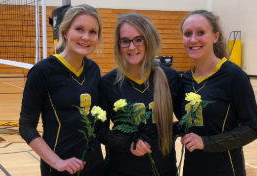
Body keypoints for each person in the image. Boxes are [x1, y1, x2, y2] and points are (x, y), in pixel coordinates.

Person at [19, 4, 104, 176]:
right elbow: (26, 126)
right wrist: (57, 162)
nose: (86, 37)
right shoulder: (43, 71)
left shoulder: (94, 69)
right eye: (79, 29)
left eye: (93, 32)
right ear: (65, 32)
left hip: (94, 166)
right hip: (60, 169)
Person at [97, 13, 183, 176]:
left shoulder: (170, 78)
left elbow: (185, 122)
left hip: (164, 169)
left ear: (149, 40)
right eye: (125, 41)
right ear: (118, 44)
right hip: (119, 169)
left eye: (138, 39)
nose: (131, 47)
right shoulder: (108, 83)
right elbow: (101, 131)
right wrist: (128, 143)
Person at [179, 10, 257, 176]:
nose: (193, 39)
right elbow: (193, 123)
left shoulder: (234, 75)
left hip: (225, 168)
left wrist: (206, 142)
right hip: (192, 168)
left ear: (215, 37)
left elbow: (252, 127)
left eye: (201, 32)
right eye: (188, 34)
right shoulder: (185, 79)